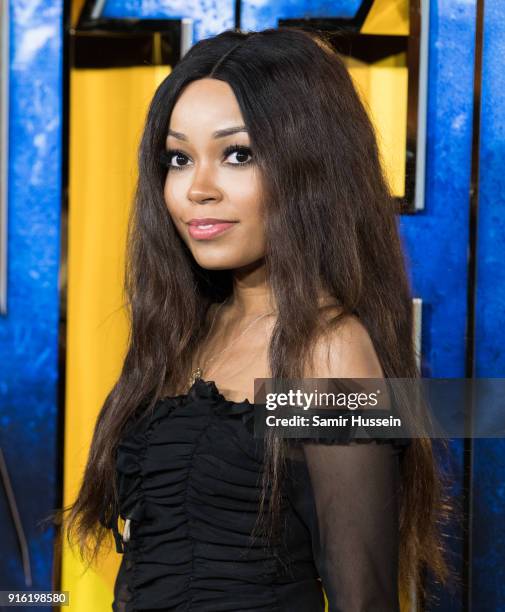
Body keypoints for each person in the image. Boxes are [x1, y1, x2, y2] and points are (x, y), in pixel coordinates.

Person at [62, 27, 454, 611]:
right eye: (179, 158)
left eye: (237, 154)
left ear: (310, 170)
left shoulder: (327, 352)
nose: (198, 189)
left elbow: (363, 598)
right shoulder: (181, 333)